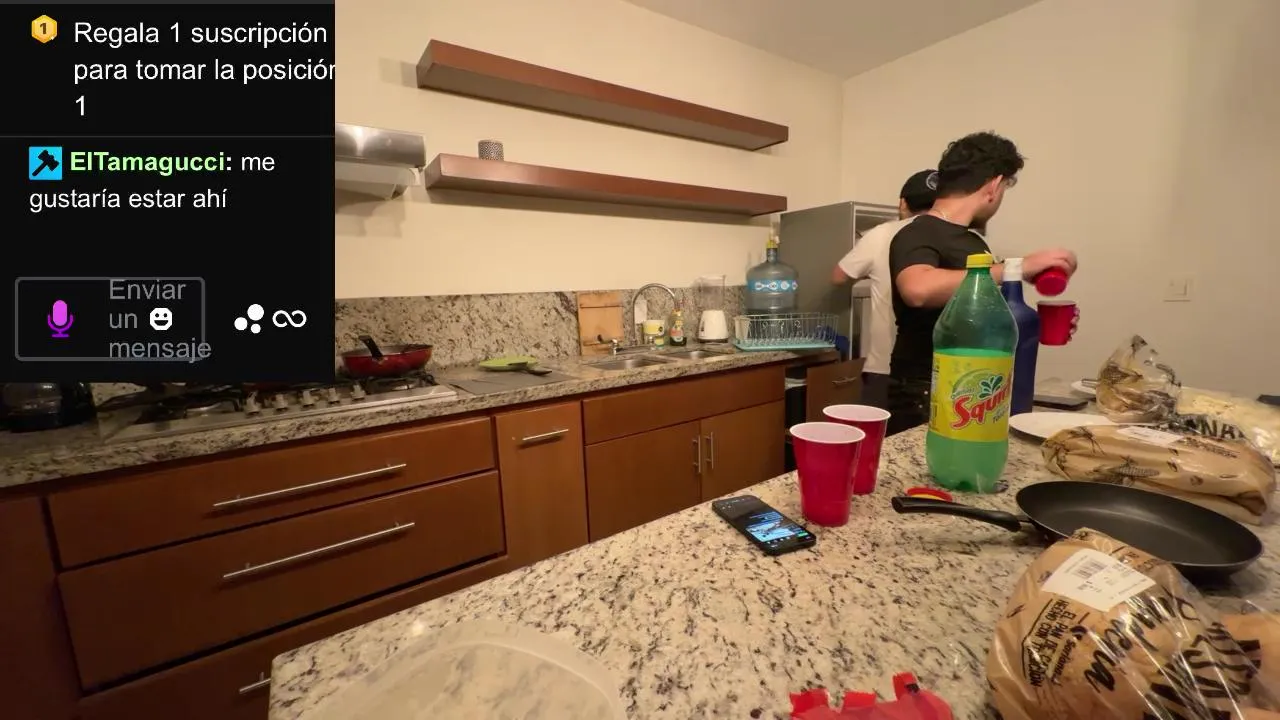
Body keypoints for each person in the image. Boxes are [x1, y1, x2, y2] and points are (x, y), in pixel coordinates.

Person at [886, 131, 1078, 435]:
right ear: (994, 185)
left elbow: (976, 317)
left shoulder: (972, 243)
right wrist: (1015, 267)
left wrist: (1031, 327)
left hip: (971, 387)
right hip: (927, 393)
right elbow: (917, 289)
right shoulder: (917, 232)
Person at [831, 169, 939, 409]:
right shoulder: (959, 237)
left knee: (879, 431)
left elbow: (838, 276)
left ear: (903, 203)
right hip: (945, 368)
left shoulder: (883, 234)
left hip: (887, 368)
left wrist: (871, 273)